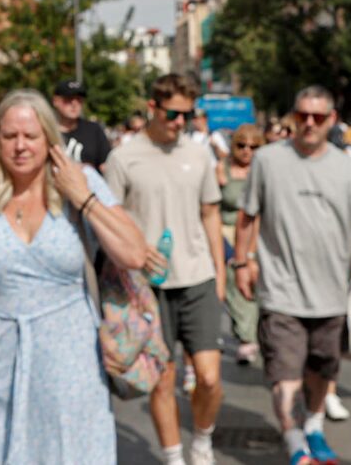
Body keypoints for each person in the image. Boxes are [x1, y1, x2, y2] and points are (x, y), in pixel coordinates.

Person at [0, 89, 147, 464]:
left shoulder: (80, 182)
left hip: (71, 361)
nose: (20, 146)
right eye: (10, 136)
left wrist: (83, 197)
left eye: (31, 136)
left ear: (50, 139)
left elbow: (134, 253)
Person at [235, 85, 351, 465]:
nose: (308, 123)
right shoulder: (268, 160)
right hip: (280, 290)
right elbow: (247, 216)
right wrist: (242, 262)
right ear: (293, 116)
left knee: (322, 369)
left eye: (318, 117)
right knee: (286, 376)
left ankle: (314, 427)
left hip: (332, 292)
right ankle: (294, 442)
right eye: (302, 115)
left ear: (332, 120)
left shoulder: (346, 165)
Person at [104, 74, 227, 465]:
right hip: (147, 285)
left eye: (187, 116)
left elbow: (210, 212)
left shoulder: (198, 153)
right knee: (164, 379)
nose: (180, 123)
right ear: (153, 109)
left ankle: (202, 440)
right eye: (173, 114)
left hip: (198, 277)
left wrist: (219, 272)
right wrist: (134, 251)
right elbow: (110, 219)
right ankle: (174, 458)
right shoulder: (124, 157)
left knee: (208, 377)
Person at [218, 123, 263, 367]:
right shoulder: (222, 168)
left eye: (254, 146)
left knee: (253, 284)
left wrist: (252, 248)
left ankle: (250, 333)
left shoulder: (263, 170)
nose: (247, 151)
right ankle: (245, 335)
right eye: (242, 146)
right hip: (226, 233)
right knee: (233, 285)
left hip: (255, 232)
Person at [52, 79, 113, 170]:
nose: (74, 103)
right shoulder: (45, 130)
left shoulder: (94, 130)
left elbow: (106, 166)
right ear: (55, 101)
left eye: (79, 99)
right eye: (68, 99)